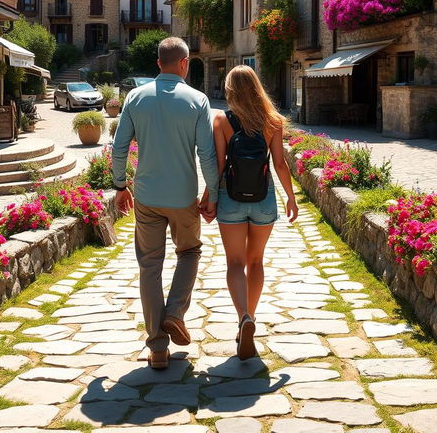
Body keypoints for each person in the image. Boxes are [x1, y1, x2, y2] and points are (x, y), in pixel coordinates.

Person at [112, 37, 218, 369]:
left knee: (149, 267)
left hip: (146, 197)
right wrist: (212, 190)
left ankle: (157, 348)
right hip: (183, 196)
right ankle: (175, 312)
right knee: (190, 252)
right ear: (185, 63)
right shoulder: (198, 100)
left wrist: (119, 185)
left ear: (159, 63)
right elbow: (207, 153)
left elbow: (118, 147)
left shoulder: (135, 97)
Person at [209, 65, 298, 360]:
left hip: (231, 198)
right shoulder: (272, 121)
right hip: (264, 197)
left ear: (231, 89)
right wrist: (291, 197)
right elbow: (281, 165)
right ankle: (252, 317)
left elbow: (219, 166)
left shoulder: (222, 119)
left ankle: (243, 318)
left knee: (235, 263)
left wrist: (209, 197)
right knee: (255, 261)